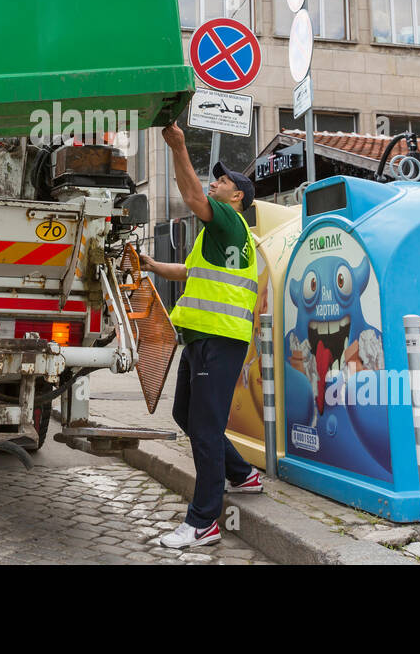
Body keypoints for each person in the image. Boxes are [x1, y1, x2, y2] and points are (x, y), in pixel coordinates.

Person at [140, 122, 264, 549]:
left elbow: (192, 195)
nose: (216, 183)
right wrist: (154, 266)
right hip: (200, 338)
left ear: (237, 198)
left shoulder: (228, 220)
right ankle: (244, 474)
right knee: (185, 416)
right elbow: (191, 272)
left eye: (224, 180)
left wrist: (177, 146)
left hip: (218, 339)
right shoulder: (218, 234)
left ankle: (204, 521)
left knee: (206, 429)